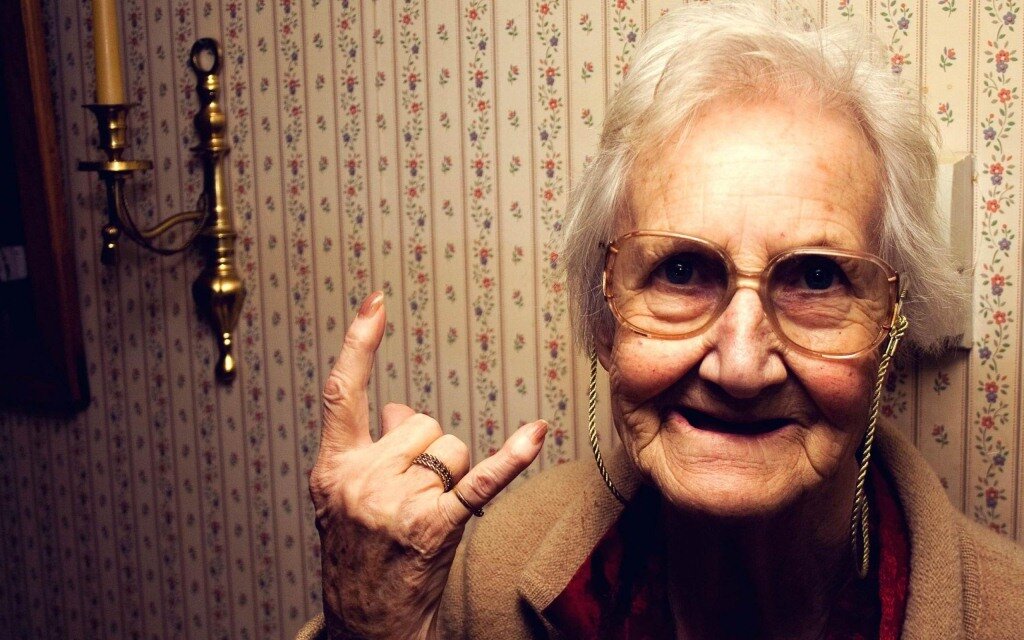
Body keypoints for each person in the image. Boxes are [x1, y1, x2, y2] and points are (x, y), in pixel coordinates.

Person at [299, 3, 1024, 638]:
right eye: (680, 271)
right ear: (604, 318)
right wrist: (370, 628)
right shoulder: (479, 577)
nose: (741, 367)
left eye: (814, 277)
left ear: (890, 329)